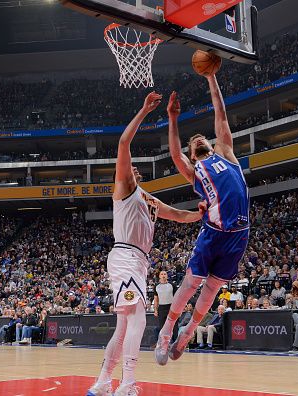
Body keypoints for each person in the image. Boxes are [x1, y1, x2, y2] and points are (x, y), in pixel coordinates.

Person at [87, 92, 205, 396]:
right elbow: (124, 144)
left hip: (137, 261)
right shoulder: (125, 188)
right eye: (130, 168)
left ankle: (102, 382)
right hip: (125, 256)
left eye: (137, 169)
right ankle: (126, 383)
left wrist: (201, 215)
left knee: (124, 325)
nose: (134, 169)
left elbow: (177, 214)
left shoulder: (148, 199)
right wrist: (143, 111)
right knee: (137, 315)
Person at [155, 74, 250, 365]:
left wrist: (211, 77)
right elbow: (174, 153)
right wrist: (172, 118)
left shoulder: (227, 153)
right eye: (192, 141)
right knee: (192, 283)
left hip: (239, 233)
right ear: (192, 153)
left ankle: (187, 333)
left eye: (200, 136)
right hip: (213, 231)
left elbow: (220, 112)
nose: (197, 137)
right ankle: (166, 330)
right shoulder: (195, 170)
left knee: (211, 292)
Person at [153, 271, 175, 341]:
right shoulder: (156, 286)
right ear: (159, 276)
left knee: (172, 326)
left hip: (171, 307)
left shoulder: (172, 285)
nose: (163, 275)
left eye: (165, 274)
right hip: (161, 308)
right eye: (162, 274)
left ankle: (172, 343)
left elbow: (176, 297)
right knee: (162, 327)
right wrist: (155, 310)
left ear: (167, 276)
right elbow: (156, 300)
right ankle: (163, 343)